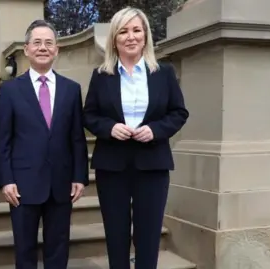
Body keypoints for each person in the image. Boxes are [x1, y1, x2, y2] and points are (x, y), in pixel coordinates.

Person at [83, 7, 189, 269]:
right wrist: (109, 128)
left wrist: (156, 130)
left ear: (145, 35)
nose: (131, 36)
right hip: (112, 165)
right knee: (116, 235)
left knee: (149, 235)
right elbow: (89, 115)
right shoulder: (101, 75)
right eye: (123, 31)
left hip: (153, 164)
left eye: (136, 30)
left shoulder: (163, 73)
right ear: (114, 39)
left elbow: (178, 112)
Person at [0, 20, 89, 269]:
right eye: (37, 42)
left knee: (58, 248)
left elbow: (77, 138)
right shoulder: (10, 90)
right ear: (26, 49)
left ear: (57, 49)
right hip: (22, 186)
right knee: (24, 250)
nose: (43, 47)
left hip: (61, 184)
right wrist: (6, 179)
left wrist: (80, 176)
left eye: (48, 43)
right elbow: (2, 138)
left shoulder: (71, 89)